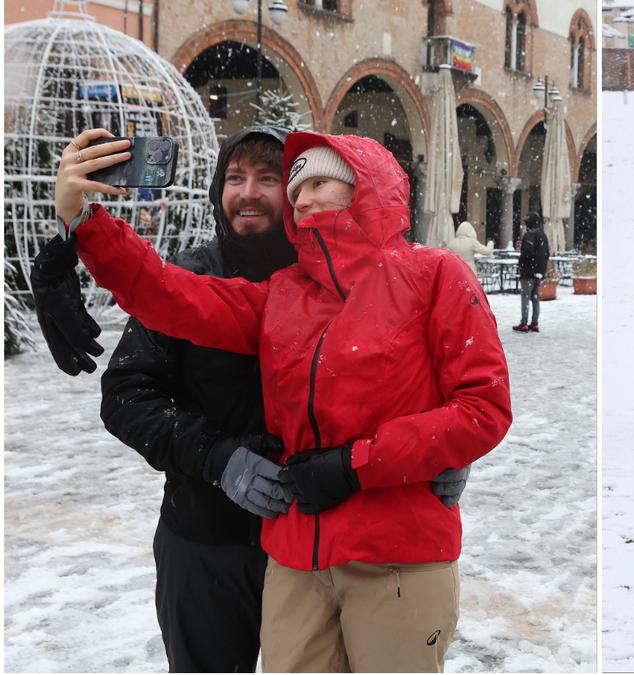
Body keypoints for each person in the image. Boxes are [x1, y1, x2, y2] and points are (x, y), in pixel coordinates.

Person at [47, 128, 510, 672]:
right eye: (297, 190)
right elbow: (169, 294)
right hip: (288, 552)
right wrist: (82, 224)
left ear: (365, 186)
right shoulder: (284, 292)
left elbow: (481, 405)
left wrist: (373, 463)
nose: (303, 198)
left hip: (394, 554)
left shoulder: (433, 274)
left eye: (315, 183)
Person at [514, 212, 549, 333]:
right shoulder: (543, 235)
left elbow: (527, 253)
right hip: (539, 271)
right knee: (535, 297)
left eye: (526, 223)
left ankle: (524, 323)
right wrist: (541, 269)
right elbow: (546, 254)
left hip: (528, 271)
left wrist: (521, 263)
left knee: (525, 297)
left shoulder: (529, 235)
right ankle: (535, 323)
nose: (525, 225)